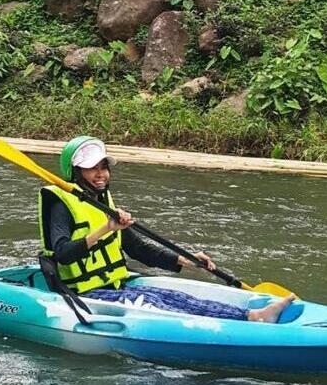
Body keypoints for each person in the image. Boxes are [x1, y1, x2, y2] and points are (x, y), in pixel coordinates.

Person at [38, 136, 295, 323]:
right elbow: (61, 253)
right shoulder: (61, 203)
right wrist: (106, 228)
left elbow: (137, 248)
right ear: (75, 171)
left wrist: (188, 260)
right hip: (86, 292)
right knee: (157, 305)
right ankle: (252, 320)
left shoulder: (101, 201)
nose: (101, 174)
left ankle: (249, 315)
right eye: (93, 168)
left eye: (104, 167)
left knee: (176, 298)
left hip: (116, 284)